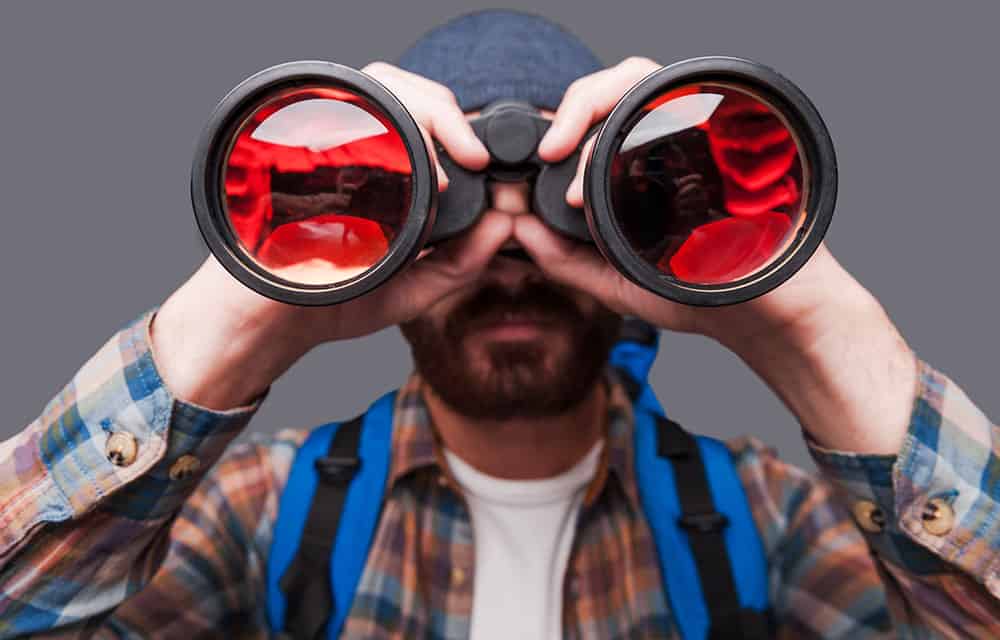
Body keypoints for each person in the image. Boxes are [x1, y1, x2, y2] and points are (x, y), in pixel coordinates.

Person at [1, 9, 998, 639]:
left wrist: (808, 320)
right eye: (448, 214)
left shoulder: (766, 514)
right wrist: (242, 309)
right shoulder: (261, 513)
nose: (512, 257)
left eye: (576, 204)